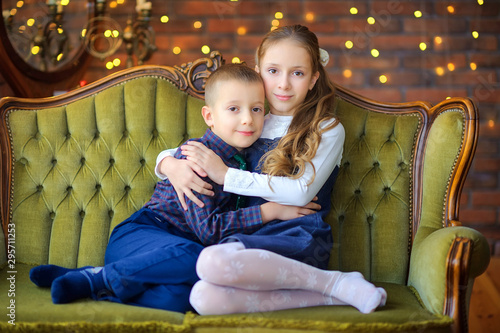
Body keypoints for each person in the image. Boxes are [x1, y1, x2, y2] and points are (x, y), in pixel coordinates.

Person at [28, 64, 321, 313]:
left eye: (256, 109)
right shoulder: (194, 157)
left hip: (165, 264)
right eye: (234, 109)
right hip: (141, 237)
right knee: (198, 256)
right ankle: (99, 279)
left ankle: (90, 279)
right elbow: (209, 232)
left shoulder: (246, 159)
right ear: (209, 116)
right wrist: (269, 211)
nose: (247, 118)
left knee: (187, 297)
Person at [157, 25, 387, 315]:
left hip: (296, 235)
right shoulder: (252, 120)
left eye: (298, 73)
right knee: (203, 298)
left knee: (209, 262)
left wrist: (224, 175)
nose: (284, 85)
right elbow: (204, 147)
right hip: (248, 235)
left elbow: (301, 191)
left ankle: (331, 280)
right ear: (258, 72)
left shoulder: (326, 128)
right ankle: (332, 291)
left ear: (314, 78)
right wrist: (168, 163)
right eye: (273, 71)